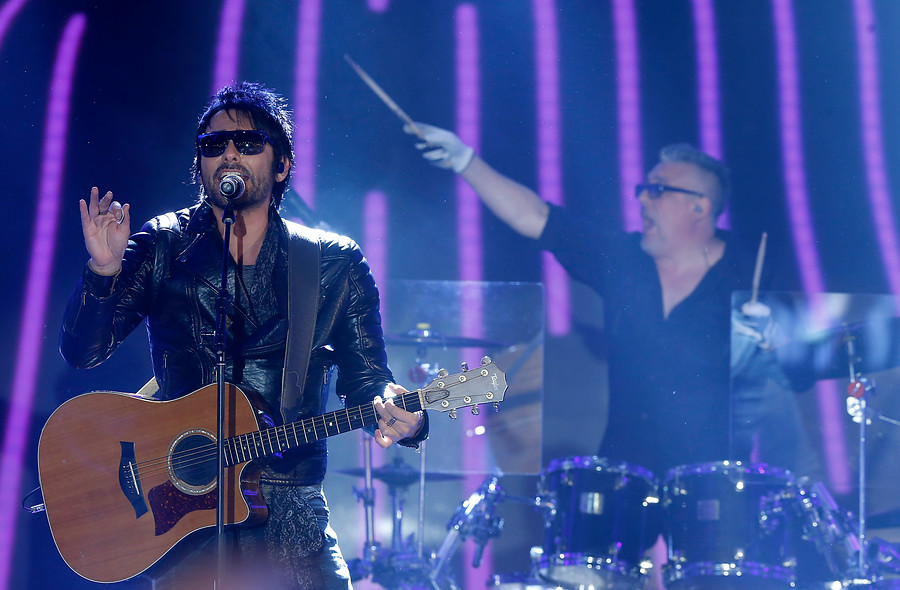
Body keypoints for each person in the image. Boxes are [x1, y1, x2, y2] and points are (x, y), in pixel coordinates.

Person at [405, 122, 822, 588]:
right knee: (583, 577)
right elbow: (537, 218)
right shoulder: (625, 261)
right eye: (643, 188)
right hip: (623, 471)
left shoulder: (749, 276)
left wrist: (777, 337)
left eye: (657, 189)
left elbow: (802, 368)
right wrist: (466, 161)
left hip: (711, 480)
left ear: (699, 206)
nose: (641, 198)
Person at [58, 82, 426, 590]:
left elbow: (368, 379)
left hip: (289, 501)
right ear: (200, 164)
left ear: (282, 166)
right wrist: (103, 271)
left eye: (248, 142)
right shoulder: (162, 244)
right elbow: (84, 352)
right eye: (214, 145)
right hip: (183, 508)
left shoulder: (333, 262)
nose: (229, 153)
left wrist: (399, 410)